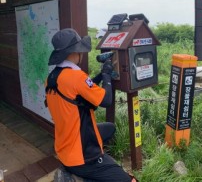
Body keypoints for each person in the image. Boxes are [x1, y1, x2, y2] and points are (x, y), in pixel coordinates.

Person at [45, 28, 137, 182]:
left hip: (64, 147)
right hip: (81, 158)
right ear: (75, 52)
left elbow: (79, 94)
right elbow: (106, 101)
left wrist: (101, 75)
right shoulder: (76, 76)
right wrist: (107, 76)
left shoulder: (52, 78)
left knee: (109, 128)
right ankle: (95, 165)